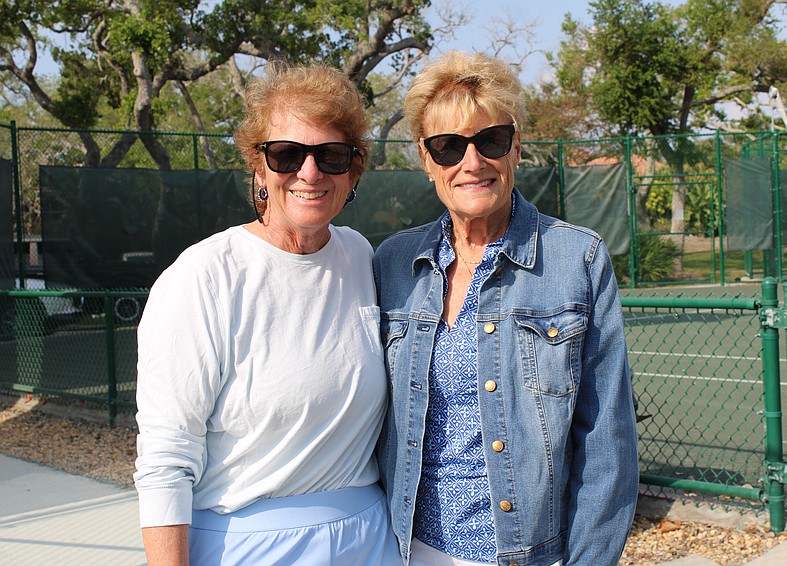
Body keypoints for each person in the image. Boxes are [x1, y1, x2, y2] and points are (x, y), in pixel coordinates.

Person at [373, 51, 639, 566]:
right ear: (426, 161)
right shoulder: (393, 262)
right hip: (403, 550)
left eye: (489, 140)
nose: (472, 162)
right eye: (449, 147)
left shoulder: (576, 258)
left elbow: (607, 442)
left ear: (516, 147)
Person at [134, 61, 400, 566]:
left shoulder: (362, 257)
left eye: (332, 155)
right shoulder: (204, 276)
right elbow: (166, 457)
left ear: (354, 170)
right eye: (286, 154)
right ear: (259, 168)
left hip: (371, 543)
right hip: (248, 550)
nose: (309, 172)